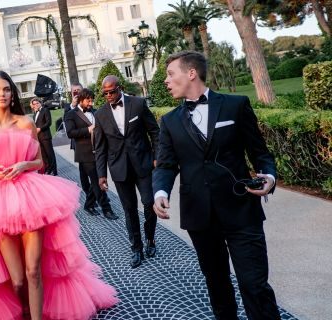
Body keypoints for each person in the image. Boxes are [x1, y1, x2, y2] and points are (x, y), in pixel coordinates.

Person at [0, 71, 117, 320]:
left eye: (6, 89)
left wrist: (23, 166)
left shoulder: (25, 122)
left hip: (29, 196)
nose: (2, 94)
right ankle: (24, 310)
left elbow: (39, 160)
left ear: (12, 93)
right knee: (17, 279)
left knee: (33, 270)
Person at [153, 51, 280, 319]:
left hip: (241, 210)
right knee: (217, 285)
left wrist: (268, 177)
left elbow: (260, 153)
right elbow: (165, 165)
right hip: (200, 216)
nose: (166, 80)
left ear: (191, 73)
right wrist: (161, 192)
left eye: (170, 73)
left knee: (254, 285)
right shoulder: (169, 121)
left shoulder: (235, 105)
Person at [94, 75, 159, 268]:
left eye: (112, 92)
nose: (109, 96)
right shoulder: (100, 114)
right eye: (105, 93)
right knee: (129, 210)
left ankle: (150, 239)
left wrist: (157, 157)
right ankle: (136, 248)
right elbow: (100, 147)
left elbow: (155, 132)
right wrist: (101, 174)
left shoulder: (138, 104)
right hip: (119, 169)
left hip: (143, 164)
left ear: (120, 88)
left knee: (149, 203)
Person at [64, 88, 114, 218]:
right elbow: (70, 133)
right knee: (98, 180)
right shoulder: (71, 114)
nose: (91, 103)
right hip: (84, 153)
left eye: (92, 100)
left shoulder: (95, 112)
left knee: (94, 181)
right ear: (80, 99)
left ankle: (89, 204)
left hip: (99, 151)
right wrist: (88, 129)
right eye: (88, 100)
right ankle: (106, 209)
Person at [31, 98, 58, 175]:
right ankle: (48, 169)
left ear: (40, 103)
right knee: (44, 155)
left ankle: (54, 170)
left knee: (50, 154)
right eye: (34, 104)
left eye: (37, 103)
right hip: (39, 137)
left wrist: (40, 128)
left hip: (45, 136)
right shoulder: (35, 114)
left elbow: (49, 122)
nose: (35, 105)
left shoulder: (45, 110)